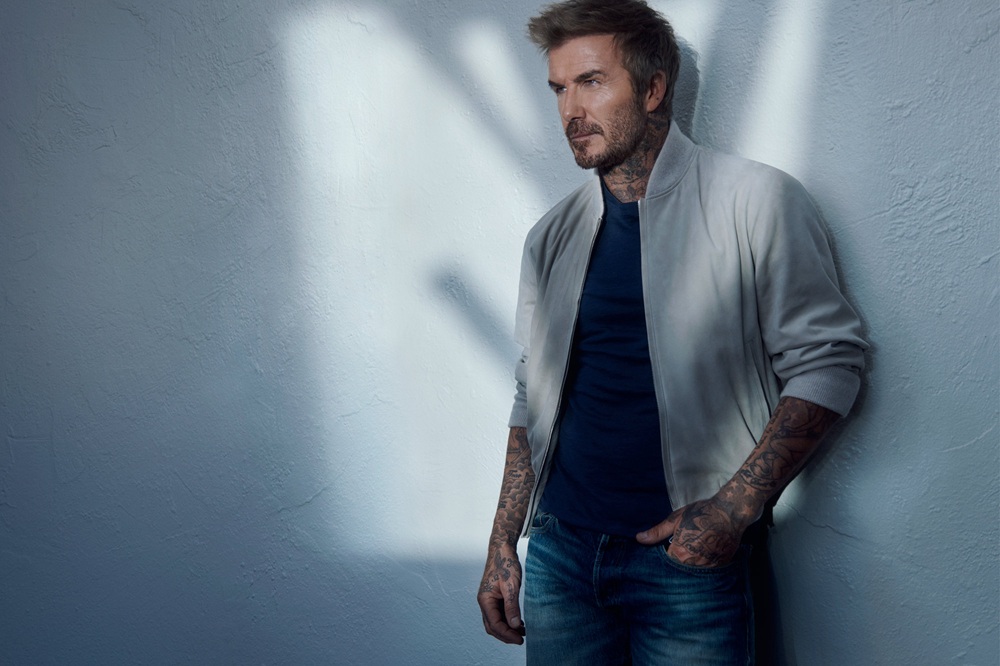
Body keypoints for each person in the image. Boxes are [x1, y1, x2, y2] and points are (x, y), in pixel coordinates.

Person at [476, 1, 868, 663]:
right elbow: (530, 394)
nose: (571, 109)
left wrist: (732, 511)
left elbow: (830, 363)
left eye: (591, 81)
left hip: (684, 567)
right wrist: (502, 545)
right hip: (560, 558)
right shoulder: (551, 236)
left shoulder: (758, 202)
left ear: (654, 88)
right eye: (559, 88)